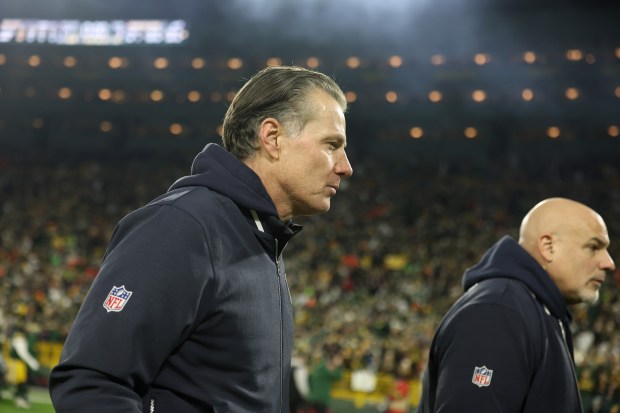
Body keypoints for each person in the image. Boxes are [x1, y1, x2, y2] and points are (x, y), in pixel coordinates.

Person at [49, 65, 353, 413]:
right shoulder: (182, 227)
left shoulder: (261, 238)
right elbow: (90, 383)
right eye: (332, 144)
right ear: (272, 138)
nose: (345, 166)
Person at [418, 197, 615, 413]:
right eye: (594, 247)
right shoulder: (498, 312)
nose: (609, 263)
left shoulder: (537, 309)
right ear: (549, 247)